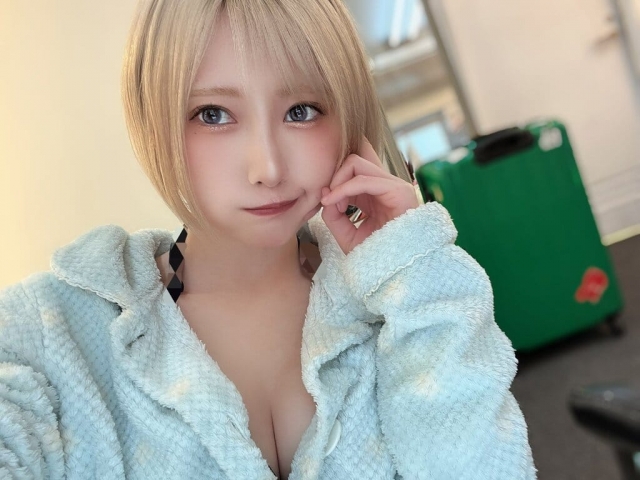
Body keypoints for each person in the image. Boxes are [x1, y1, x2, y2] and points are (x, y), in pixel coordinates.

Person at [0, 0, 537, 479]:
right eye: (213, 115)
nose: (268, 168)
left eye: (301, 111)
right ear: (153, 120)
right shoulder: (50, 332)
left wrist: (409, 267)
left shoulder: (394, 296)